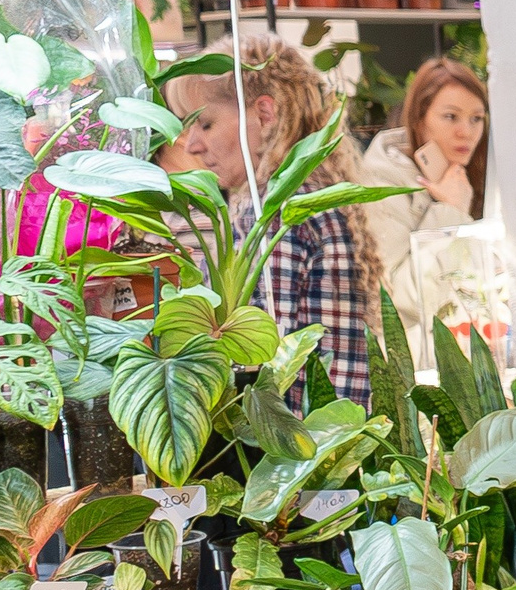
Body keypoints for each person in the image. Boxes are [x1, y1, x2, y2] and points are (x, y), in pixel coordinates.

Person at [167, 36, 379, 402]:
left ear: (264, 115)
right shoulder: (315, 191)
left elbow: (262, 358)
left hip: (301, 443)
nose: (191, 146)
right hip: (340, 432)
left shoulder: (276, 209)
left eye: (205, 124)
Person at [361, 55, 490, 360]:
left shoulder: (462, 174)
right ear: (419, 118)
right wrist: (451, 212)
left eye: (477, 118)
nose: (466, 131)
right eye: (451, 116)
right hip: (414, 365)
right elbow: (400, 299)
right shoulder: (382, 183)